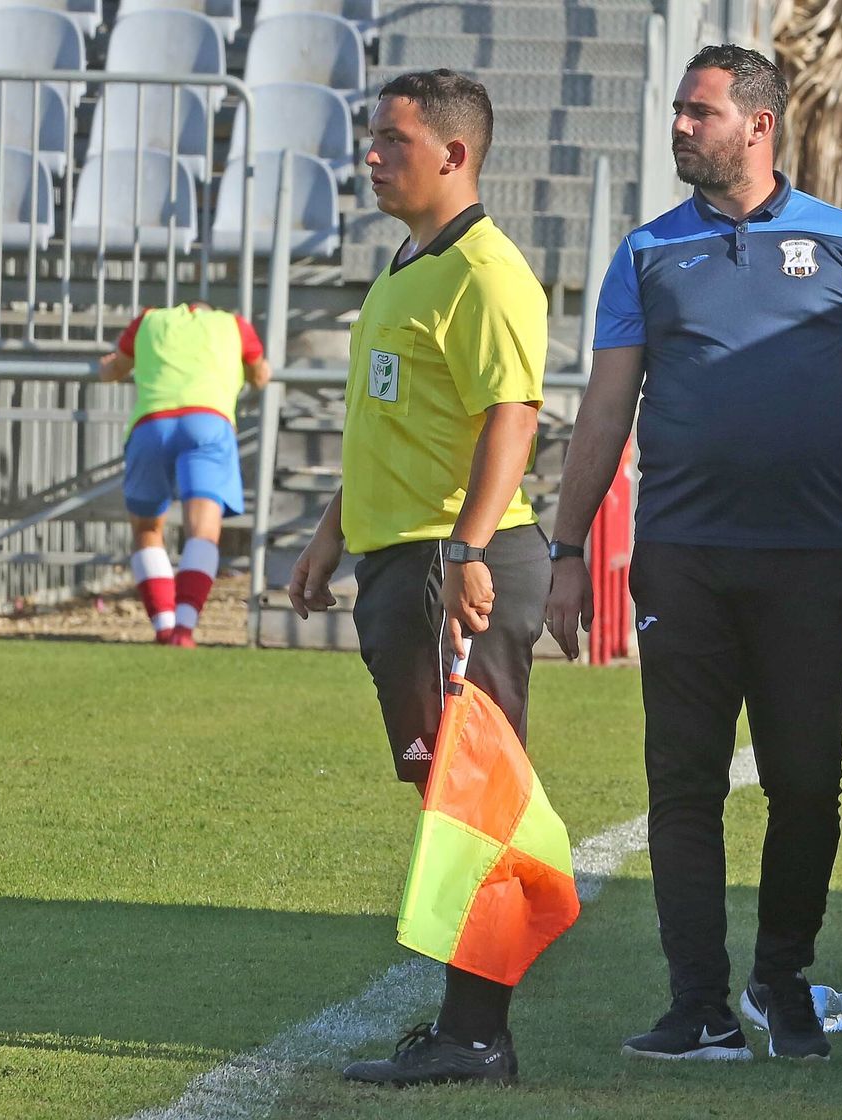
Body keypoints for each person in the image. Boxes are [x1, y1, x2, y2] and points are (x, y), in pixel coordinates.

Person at [544, 44, 842, 1063]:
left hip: (806, 559)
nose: (679, 126)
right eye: (677, 111)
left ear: (757, 125)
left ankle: (781, 977)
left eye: (696, 112)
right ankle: (698, 1004)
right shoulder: (647, 251)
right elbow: (606, 406)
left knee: (807, 782)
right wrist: (568, 544)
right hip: (682, 559)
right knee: (684, 785)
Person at [285, 70, 549, 1088]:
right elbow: (392, 425)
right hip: (403, 559)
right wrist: (326, 535)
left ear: (454, 154)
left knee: (469, 797)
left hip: (456, 566)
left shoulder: (486, 271)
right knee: (439, 786)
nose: (370, 155)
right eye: (370, 136)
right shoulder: (406, 266)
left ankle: (475, 1036)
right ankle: (467, 1021)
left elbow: (511, 418)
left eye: (391, 139)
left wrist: (469, 548)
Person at [100, 301, 270, 647]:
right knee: (203, 530)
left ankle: (162, 626)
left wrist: (108, 366)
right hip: (207, 423)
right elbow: (260, 375)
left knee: (147, 528)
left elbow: (113, 369)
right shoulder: (234, 324)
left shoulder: (149, 321)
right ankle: (184, 629)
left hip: (151, 425)